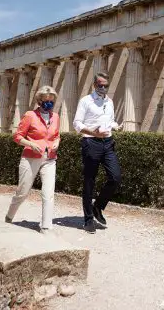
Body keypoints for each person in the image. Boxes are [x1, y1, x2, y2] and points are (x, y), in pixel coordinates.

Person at [5, 85, 60, 234]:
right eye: (46, 100)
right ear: (39, 100)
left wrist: (57, 142)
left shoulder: (55, 117)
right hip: (30, 158)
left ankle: (46, 226)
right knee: (22, 192)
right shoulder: (30, 115)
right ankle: (9, 215)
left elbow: (56, 135)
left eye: (52, 101)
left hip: (49, 159)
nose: (49, 103)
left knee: (48, 193)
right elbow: (17, 136)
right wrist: (30, 143)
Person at [73, 72, 123, 234]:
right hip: (91, 142)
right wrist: (93, 134)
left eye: (105, 85)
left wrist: (115, 125)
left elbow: (108, 121)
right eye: (100, 85)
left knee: (115, 178)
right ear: (94, 85)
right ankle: (88, 219)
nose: (103, 88)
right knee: (90, 181)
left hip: (108, 143)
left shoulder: (110, 102)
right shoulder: (86, 101)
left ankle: (98, 207)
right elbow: (77, 123)